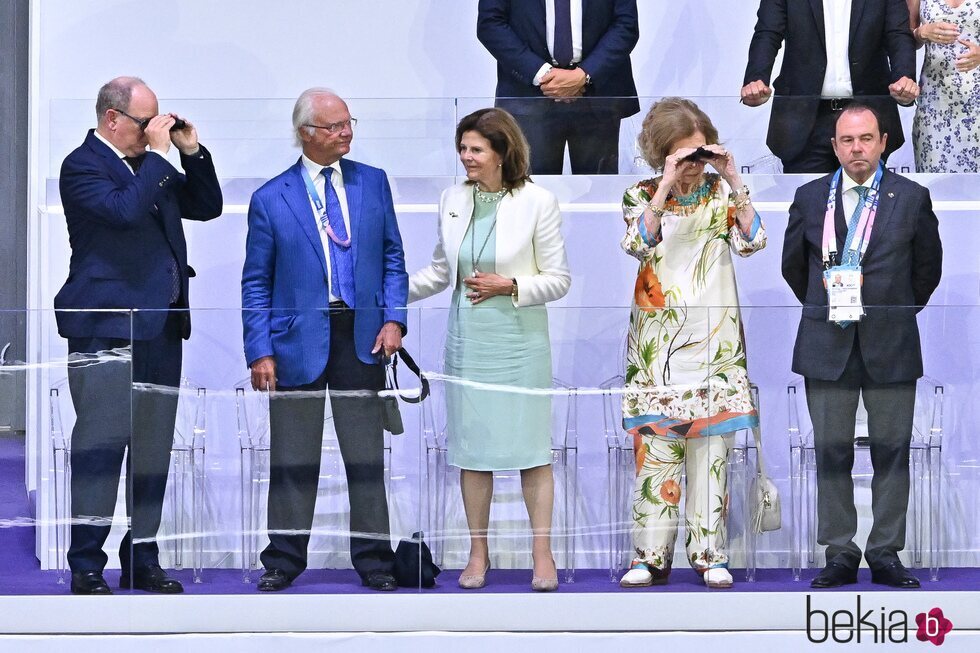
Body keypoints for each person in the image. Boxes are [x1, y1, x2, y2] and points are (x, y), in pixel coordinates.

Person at [54, 76, 223, 595]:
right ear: (112, 119)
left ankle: (142, 554)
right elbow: (124, 212)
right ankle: (87, 558)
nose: (154, 131)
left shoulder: (151, 168)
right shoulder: (83, 165)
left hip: (161, 328)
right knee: (101, 444)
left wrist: (190, 153)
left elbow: (207, 204)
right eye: (144, 121)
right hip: (105, 326)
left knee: (153, 448)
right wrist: (155, 155)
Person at [241, 88, 408, 592]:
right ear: (306, 134)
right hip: (296, 342)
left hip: (363, 336)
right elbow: (256, 282)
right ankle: (284, 561)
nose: (347, 133)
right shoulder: (272, 198)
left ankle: (376, 560)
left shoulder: (373, 183)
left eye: (348, 123)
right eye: (335, 126)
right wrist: (260, 348)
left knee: (366, 455)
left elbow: (393, 257)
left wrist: (394, 319)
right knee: (293, 457)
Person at [409, 108, 571, 591]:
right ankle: (478, 552)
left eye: (476, 149)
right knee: (472, 452)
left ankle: (542, 553)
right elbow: (441, 274)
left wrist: (511, 284)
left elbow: (558, 280)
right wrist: (383, 293)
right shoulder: (452, 198)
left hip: (519, 343)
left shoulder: (538, 201)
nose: (467, 158)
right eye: (463, 149)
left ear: (502, 153)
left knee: (530, 451)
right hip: (469, 342)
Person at [782, 104, 942, 589]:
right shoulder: (810, 197)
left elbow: (926, 271)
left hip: (891, 345)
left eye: (866, 139)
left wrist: (889, 313)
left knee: (893, 451)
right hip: (826, 344)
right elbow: (794, 268)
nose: (857, 148)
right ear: (834, 146)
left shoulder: (911, 197)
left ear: (883, 141)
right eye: (847, 140)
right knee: (832, 451)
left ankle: (886, 552)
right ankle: (840, 551)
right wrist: (830, 306)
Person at [618, 98, 766, 590]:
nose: (692, 166)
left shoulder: (721, 195)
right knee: (655, 452)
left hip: (715, 345)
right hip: (658, 347)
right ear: (661, 154)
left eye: (698, 155)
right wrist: (664, 185)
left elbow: (752, 242)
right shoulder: (640, 194)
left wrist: (734, 178)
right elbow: (638, 243)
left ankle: (709, 553)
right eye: (682, 157)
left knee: (711, 453)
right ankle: (649, 556)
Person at [741, 0, 919, 173]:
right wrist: (756, 78)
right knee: (809, 199)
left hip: (867, 116)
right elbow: (767, 33)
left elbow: (898, 34)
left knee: (867, 199)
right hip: (805, 120)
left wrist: (904, 77)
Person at [477, 0, 640, 174]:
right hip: (528, 97)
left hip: (597, 96)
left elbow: (626, 24)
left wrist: (584, 74)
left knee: (598, 191)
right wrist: (542, 75)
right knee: (531, 192)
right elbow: (490, 24)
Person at [909, 0, 980, 172]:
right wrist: (921, 32)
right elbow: (901, 37)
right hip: (935, 106)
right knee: (935, 188)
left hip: (976, 103)